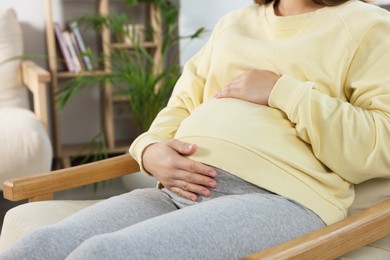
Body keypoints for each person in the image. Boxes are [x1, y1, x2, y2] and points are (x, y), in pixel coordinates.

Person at [1, 0, 390, 259]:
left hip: (281, 198)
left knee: (103, 255)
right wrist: (150, 150)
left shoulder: (368, 26)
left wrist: (282, 91)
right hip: (177, 189)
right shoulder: (233, 25)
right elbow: (180, 106)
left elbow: (381, 141)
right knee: (40, 245)